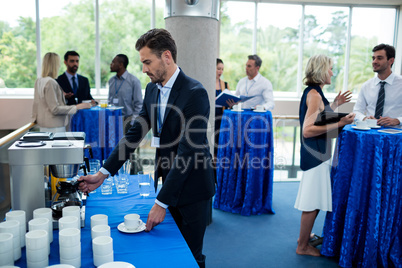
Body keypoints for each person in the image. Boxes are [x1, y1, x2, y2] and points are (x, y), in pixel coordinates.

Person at [78, 29, 215, 268]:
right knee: (168, 253)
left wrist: (161, 202)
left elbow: (188, 152)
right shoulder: (152, 89)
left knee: (191, 257)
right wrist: (102, 174)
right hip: (168, 180)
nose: (143, 69)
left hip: (193, 186)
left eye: (147, 62)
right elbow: (134, 134)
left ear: (167, 57)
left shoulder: (196, 93)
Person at [295, 54, 354, 257]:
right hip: (316, 155)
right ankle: (302, 246)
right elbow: (308, 130)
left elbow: (320, 117)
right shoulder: (315, 95)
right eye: (330, 68)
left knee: (315, 200)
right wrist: (340, 123)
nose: (332, 72)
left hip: (318, 153)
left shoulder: (314, 92)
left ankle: (304, 237)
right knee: (312, 203)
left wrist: (335, 106)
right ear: (321, 70)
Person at [32, 52, 91, 133]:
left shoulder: (39, 81)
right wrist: (77, 107)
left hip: (43, 125)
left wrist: (62, 96)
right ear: (54, 65)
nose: (59, 66)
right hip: (54, 127)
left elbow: (40, 103)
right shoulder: (51, 82)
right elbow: (55, 109)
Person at [353, 44, 402, 126]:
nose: (374, 61)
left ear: (391, 61)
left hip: (395, 135)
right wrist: (365, 119)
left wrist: (397, 120)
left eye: (379, 58)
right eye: (373, 58)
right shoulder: (366, 86)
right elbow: (356, 111)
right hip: (370, 133)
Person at [108, 54, 143, 133]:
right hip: (113, 119)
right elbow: (109, 101)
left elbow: (139, 104)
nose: (111, 64)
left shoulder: (134, 81)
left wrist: (133, 122)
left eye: (113, 62)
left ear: (120, 65)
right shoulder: (111, 81)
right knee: (113, 144)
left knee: (129, 145)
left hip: (128, 120)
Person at [215, 58, 230, 158]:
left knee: (220, 142)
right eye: (218, 68)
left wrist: (231, 103)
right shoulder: (208, 82)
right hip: (212, 115)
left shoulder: (225, 84)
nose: (220, 71)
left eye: (222, 69)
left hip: (222, 116)